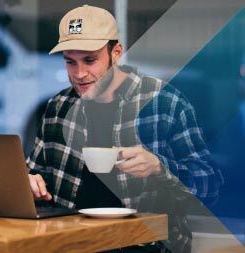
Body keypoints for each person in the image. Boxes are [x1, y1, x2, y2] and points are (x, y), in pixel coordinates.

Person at [26, 5, 223, 253]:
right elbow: (34, 174)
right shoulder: (58, 107)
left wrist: (159, 167)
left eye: (90, 60)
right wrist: (29, 183)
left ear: (116, 52)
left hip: (145, 245)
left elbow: (211, 186)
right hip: (72, 242)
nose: (79, 74)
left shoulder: (163, 102)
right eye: (70, 62)